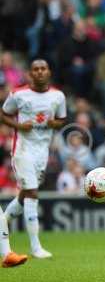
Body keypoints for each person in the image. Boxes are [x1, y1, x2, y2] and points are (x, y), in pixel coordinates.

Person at [1, 59, 67, 259]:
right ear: (30, 73)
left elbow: (62, 121)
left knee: (24, 195)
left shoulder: (58, 96)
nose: (39, 72)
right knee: (31, 193)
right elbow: (3, 115)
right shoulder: (18, 94)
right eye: (36, 69)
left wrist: (53, 123)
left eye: (43, 69)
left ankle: (2, 222)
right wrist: (19, 127)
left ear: (49, 72)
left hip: (42, 151)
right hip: (23, 149)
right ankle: (35, 246)